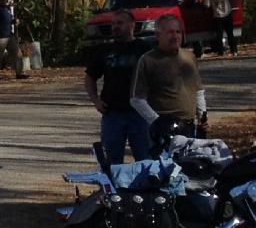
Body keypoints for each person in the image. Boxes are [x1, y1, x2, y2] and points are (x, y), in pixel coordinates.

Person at [130, 13, 205, 153]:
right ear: (158, 35)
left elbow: (198, 90)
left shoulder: (189, 57)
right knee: (164, 171)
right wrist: (156, 121)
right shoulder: (148, 60)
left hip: (189, 126)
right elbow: (136, 99)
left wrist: (203, 116)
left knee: (189, 168)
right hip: (163, 129)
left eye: (178, 32)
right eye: (170, 32)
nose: (175, 36)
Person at [85, 9, 153, 163]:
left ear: (132, 25)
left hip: (140, 114)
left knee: (145, 160)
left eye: (120, 23)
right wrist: (95, 100)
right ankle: (116, 186)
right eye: (113, 24)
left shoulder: (145, 49)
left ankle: (144, 187)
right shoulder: (105, 51)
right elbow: (90, 78)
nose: (115, 27)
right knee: (113, 161)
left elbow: (157, 78)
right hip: (112, 113)